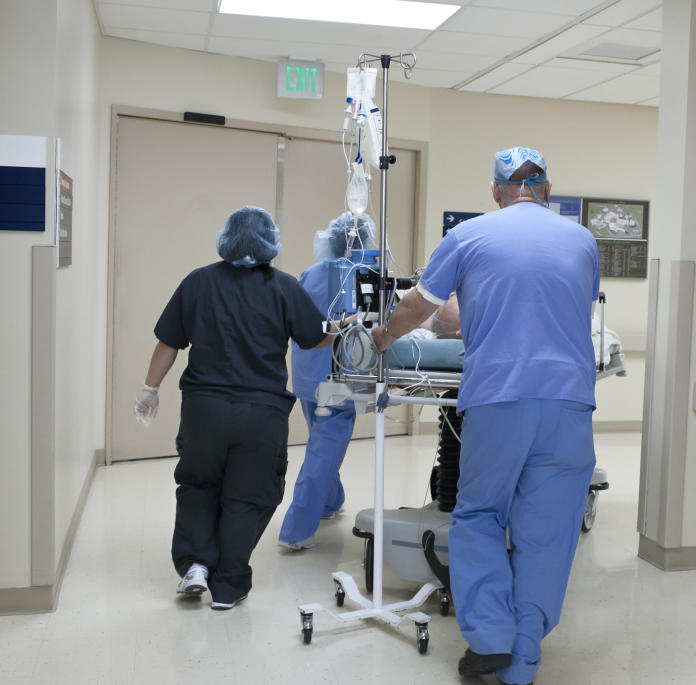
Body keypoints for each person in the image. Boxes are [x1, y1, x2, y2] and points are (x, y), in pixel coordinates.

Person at [372, 147, 599, 685]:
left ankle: (491, 637)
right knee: (548, 532)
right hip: (569, 402)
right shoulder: (584, 240)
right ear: (547, 189)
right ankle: (521, 662)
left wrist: (382, 337)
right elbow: (572, 308)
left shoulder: (470, 236)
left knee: (479, 516)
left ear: (496, 192)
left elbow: (419, 308)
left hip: (500, 397)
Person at [134, 206, 336, 610]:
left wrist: (149, 388)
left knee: (198, 485)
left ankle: (195, 564)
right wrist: (340, 329)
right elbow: (314, 339)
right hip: (260, 414)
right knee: (248, 494)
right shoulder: (284, 287)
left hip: (204, 412)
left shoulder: (198, 282)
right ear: (270, 243)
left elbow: (168, 342)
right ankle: (228, 585)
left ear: (225, 238)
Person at [278, 212, 376, 550]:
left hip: (307, 374)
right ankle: (296, 530)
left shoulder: (312, 273)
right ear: (366, 242)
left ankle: (331, 502)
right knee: (322, 451)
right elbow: (378, 325)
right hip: (341, 378)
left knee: (322, 442)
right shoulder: (366, 275)